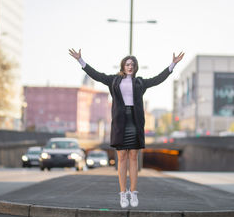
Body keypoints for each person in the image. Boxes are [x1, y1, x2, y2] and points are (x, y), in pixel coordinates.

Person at [69, 48, 184, 208]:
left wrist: (172, 64)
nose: (130, 66)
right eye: (127, 64)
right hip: (120, 121)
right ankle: (123, 194)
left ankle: (133, 192)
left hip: (135, 121)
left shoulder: (140, 82)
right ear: (122, 66)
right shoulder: (114, 80)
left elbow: (158, 79)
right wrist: (81, 60)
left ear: (135, 67)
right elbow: (97, 75)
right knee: (122, 157)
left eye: (132, 64)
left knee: (133, 157)